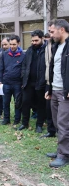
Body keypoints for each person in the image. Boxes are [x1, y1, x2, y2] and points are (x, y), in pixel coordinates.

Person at [45, 19, 69, 168]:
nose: (50, 35)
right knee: (56, 122)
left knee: (63, 123)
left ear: (61, 30)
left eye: (52, 31)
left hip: (65, 92)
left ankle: (64, 155)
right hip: (55, 89)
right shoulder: (55, 46)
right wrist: (49, 88)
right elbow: (53, 68)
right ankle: (62, 149)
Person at [18, 30, 47, 133]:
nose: (34, 42)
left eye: (36, 40)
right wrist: (23, 76)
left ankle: (39, 125)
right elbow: (24, 65)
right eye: (32, 41)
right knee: (25, 103)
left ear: (42, 38)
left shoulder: (47, 49)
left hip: (41, 83)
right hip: (28, 83)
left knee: (41, 104)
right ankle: (24, 123)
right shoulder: (30, 50)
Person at [0, 35, 25, 125]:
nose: (12, 46)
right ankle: (6, 119)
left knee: (18, 103)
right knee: (5, 102)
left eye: (14, 44)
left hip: (18, 84)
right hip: (6, 83)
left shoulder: (23, 55)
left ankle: (17, 120)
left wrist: (23, 82)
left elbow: (24, 70)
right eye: (11, 44)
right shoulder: (4, 54)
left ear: (18, 44)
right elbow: (1, 68)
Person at [40, 33, 56, 138]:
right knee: (49, 108)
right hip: (48, 82)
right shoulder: (46, 47)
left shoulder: (60, 46)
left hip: (59, 83)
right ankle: (51, 131)